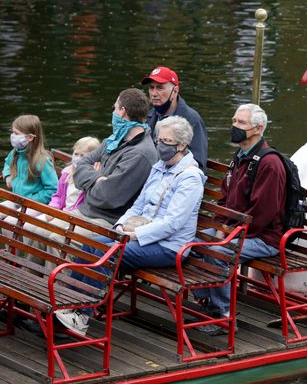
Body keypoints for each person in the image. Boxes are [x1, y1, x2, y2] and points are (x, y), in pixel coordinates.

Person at [55, 116, 206, 335]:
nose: (161, 146)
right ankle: (68, 304)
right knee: (91, 245)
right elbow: (139, 205)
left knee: (109, 251)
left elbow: (172, 223)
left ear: (181, 145)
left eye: (167, 141)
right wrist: (120, 225)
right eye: (159, 140)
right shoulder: (159, 167)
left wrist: (134, 235)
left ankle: (81, 315)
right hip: (138, 234)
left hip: (169, 247)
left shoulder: (190, 178)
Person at [192, 103, 286, 335]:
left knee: (220, 253)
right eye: (234, 121)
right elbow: (225, 197)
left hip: (263, 237)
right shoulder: (240, 158)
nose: (234, 126)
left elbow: (263, 213)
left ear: (258, 128)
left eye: (241, 123)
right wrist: (219, 225)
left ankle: (223, 315)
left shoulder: (269, 164)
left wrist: (227, 231)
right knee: (191, 244)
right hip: (234, 228)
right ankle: (207, 300)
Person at [72, 88, 158, 229]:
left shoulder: (141, 154)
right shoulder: (113, 140)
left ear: (122, 111)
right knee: (35, 229)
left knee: (55, 238)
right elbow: (80, 166)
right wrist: (98, 179)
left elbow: (107, 197)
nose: (113, 113)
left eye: (115, 108)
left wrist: (89, 184)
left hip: (106, 221)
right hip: (84, 211)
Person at [21, 136, 100, 268]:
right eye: (76, 154)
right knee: (30, 227)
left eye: (83, 155)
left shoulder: (93, 179)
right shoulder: (67, 173)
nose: (78, 158)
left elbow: (85, 206)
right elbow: (57, 196)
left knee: (47, 234)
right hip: (60, 212)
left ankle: (46, 268)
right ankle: (31, 265)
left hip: (73, 217)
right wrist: (53, 208)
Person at [141, 66, 208, 170]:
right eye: (151, 87)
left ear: (175, 91)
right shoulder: (149, 116)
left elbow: (198, 165)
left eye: (160, 88)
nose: (154, 94)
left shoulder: (192, 120)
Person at [2, 115, 58, 205]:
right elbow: (8, 164)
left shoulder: (43, 161)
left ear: (30, 137)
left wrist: (31, 200)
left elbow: (53, 189)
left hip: (34, 204)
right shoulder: (16, 152)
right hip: (17, 199)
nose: (12, 136)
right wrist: (8, 175)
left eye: (16, 133)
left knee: (11, 219)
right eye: (12, 132)